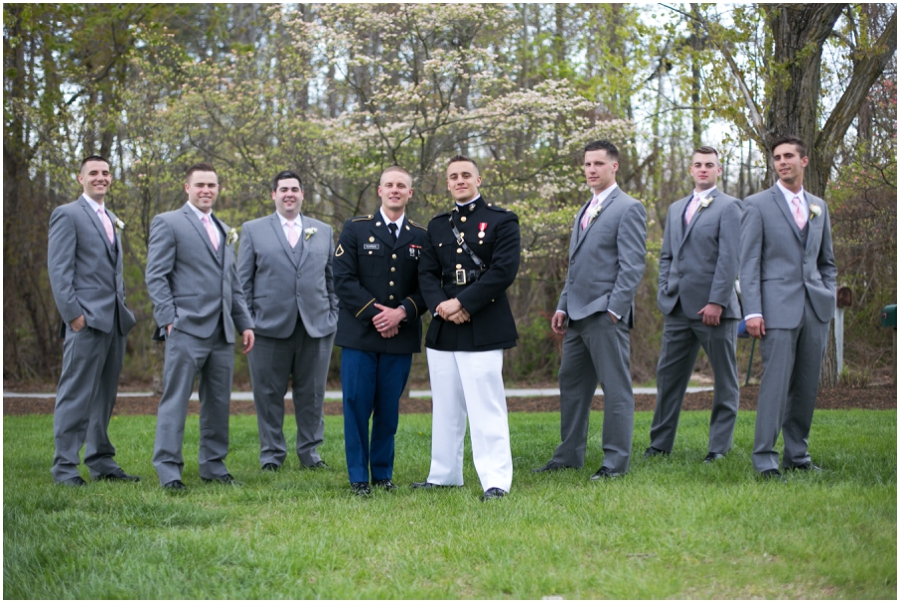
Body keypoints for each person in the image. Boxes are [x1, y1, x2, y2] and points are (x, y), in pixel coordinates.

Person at [533, 140, 646, 480]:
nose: (591, 170)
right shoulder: (585, 209)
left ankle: (614, 462)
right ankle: (569, 455)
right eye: (586, 164)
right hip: (576, 315)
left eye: (598, 163)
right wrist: (562, 305)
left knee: (616, 390)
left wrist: (614, 310)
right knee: (571, 385)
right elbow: (576, 265)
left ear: (614, 167)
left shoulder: (629, 207)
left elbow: (632, 266)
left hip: (604, 315)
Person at [412, 155, 520, 501]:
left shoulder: (502, 220)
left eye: (466, 175)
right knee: (445, 405)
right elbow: (426, 274)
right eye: (453, 177)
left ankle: (496, 480)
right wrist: (443, 306)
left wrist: (464, 303)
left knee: (486, 405)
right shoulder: (438, 225)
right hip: (445, 325)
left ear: (479, 180)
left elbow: (503, 270)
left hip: (484, 322)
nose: (460, 180)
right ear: (447, 184)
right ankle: (443, 475)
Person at [145, 162, 255, 490]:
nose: (206, 190)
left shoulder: (223, 228)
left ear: (218, 189)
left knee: (218, 402)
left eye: (212, 185)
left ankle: (213, 465)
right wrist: (168, 318)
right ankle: (168, 469)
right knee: (176, 399)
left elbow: (231, 283)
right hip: (185, 328)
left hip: (222, 332)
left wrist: (244, 323)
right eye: (200, 185)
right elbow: (156, 275)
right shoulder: (169, 223)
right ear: (187, 188)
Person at [740, 135, 837, 480]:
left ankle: (797, 456)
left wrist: (828, 292)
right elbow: (749, 262)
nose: (782, 162)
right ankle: (765, 459)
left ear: (804, 161)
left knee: (806, 385)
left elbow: (827, 261)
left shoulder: (818, 206)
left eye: (788, 156)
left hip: (815, 309)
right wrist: (752, 310)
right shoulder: (756, 204)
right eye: (777, 157)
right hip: (775, 310)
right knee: (776, 386)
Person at [333, 166, 427, 496]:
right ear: (379, 190)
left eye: (402, 185)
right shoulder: (355, 230)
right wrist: (377, 315)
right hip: (360, 335)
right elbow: (343, 280)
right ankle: (359, 477)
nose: (395, 190)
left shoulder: (421, 236)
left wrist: (402, 313)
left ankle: (382, 473)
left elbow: (426, 286)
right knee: (357, 405)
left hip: (400, 336)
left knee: (388, 410)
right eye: (389, 185)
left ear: (410, 193)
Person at [237, 170, 338, 472]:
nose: (289, 194)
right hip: (267, 329)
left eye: (295, 188)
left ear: (303, 194)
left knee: (312, 395)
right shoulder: (253, 230)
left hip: (316, 326)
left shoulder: (323, 230)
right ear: (274, 194)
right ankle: (271, 455)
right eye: (283, 189)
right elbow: (242, 282)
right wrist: (247, 322)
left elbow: (332, 279)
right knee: (268, 395)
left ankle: (310, 454)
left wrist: (333, 314)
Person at [47, 155, 139, 486]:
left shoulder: (111, 217)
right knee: (76, 394)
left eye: (105, 173)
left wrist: (123, 307)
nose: (100, 178)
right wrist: (73, 315)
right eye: (93, 173)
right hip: (85, 321)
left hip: (114, 322)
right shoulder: (67, 215)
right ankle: (64, 467)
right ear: (80, 178)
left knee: (104, 397)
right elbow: (59, 270)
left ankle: (101, 462)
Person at [646, 146, 742, 462]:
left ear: (719, 170)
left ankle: (718, 449)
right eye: (698, 164)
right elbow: (668, 255)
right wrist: (664, 293)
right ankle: (660, 445)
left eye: (709, 165)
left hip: (713, 311)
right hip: (676, 308)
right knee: (668, 378)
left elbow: (730, 258)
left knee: (725, 379)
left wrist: (716, 302)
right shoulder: (676, 209)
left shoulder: (730, 207)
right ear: (690, 170)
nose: (703, 169)